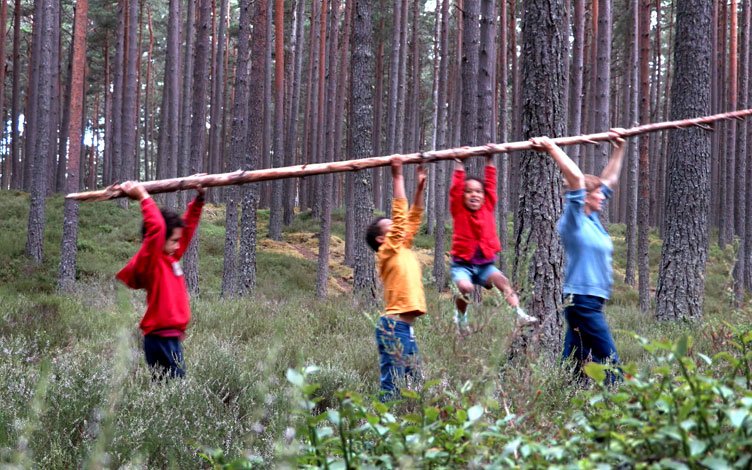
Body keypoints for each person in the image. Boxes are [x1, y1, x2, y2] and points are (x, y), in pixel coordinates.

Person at [531, 133, 626, 383]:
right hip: (581, 302)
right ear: (585, 196)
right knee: (609, 358)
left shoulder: (592, 218)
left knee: (574, 359)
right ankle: (626, 406)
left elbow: (610, 180)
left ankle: (555, 399)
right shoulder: (573, 221)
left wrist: (619, 149)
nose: (604, 196)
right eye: (598, 194)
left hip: (590, 302)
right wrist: (552, 147)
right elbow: (575, 177)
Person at [116, 181, 206, 379]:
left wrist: (199, 200)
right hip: (160, 339)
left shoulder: (169, 257)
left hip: (169, 338)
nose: (178, 245)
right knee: (176, 390)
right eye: (173, 240)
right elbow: (156, 227)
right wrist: (142, 196)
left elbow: (187, 229)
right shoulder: (151, 260)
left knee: (168, 389)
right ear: (158, 240)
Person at [449, 155, 537, 333]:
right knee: (465, 288)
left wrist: (489, 160)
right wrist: (459, 163)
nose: (474, 194)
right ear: (463, 196)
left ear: (484, 196)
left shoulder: (487, 206)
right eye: (469, 191)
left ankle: (518, 314)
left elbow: (490, 185)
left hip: (485, 267)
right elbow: (456, 189)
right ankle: (460, 318)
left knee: (503, 282)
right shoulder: (458, 208)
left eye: (478, 192)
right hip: (462, 266)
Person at [365, 159, 427, 401]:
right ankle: (380, 435)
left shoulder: (400, 248)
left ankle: (405, 434)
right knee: (392, 388)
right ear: (382, 239)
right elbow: (401, 219)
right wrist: (397, 177)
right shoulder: (387, 252)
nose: (397, 229)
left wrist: (420, 189)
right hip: (394, 328)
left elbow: (412, 220)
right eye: (390, 228)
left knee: (415, 384)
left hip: (405, 330)